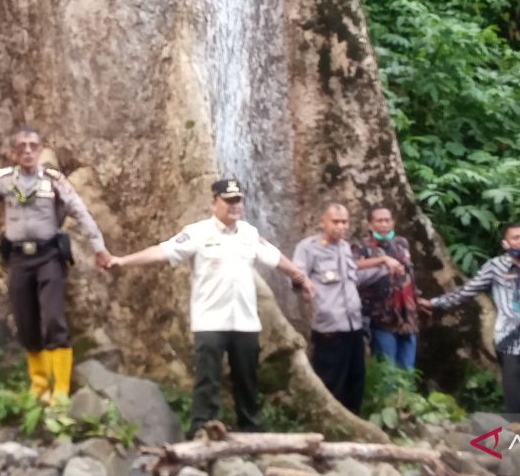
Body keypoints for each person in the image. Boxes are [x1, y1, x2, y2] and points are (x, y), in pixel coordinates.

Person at [109, 178, 316, 437]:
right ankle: (201, 429)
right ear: (213, 202)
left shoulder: (249, 233)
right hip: (210, 321)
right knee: (207, 380)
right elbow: (162, 251)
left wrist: (300, 277)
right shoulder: (197, 232)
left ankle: (251, 432)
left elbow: (276, 258)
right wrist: (123, 261)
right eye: (228, 200)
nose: (235, 205)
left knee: (247, 380)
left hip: (245, 321)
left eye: (238, 200)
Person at [0, 128, 112, 402]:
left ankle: (61, 390)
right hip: (19, 259)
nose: (28, 151)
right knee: (25, 321)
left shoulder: (55, 182)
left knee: (54, 319)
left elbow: (80, 211)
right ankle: (39, 385)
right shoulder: (6, 183)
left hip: (48, 257)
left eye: (33, 146)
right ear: (13, 153)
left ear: (40, 150)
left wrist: (99, 248)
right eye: (22, 146)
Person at [418, 222, 520, 417]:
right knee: (516, 398)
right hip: (510, 341)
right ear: (505, 243)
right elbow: (466, 292)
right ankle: (516, 440)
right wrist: (434, 303)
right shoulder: (495, 267)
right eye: (516, 237)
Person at [293, 201, 387, 415]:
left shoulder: (345, 247)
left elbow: (353, 279)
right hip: (329, 327)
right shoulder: (308, 247)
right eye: (336, 221)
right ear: (322, 222)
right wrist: (303, 283)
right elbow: (297, 275)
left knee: (356, 378)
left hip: (353, 326)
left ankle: (353, 422)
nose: (341, 226)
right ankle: (327, 424)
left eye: (345, 222)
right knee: (330, 379)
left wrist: (382, 270)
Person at [353, 206, 420, 370]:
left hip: (408, 316)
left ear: (393, 223)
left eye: (387, 220)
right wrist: (382, 259)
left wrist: (418, 298)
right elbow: (352, 266)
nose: (383, 224)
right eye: (379, 221)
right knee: (386, 371)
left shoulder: (401, 243)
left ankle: (405, 397)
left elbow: (408, 274)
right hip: (381, 317)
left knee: (407, 370)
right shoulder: (362, 247)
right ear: (370, 225)